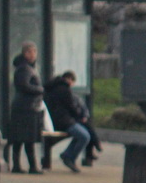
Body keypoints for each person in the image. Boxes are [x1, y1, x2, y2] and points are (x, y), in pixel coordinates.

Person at [7, 41, 45, 174]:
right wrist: (40, 89)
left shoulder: (29, 67)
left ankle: (26, 165)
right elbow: (24, 85)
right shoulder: (24, 68)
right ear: (24, 53)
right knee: (24, 138)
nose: (32, 54)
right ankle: (27, 165)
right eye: (29, 52)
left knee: (24, 138)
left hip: (27, 107)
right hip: (25, 108)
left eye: (34, 52)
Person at [43, 70, 91, 173]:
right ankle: (69, 156)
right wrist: (79, 115)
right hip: (63, 121)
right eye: (72, 81)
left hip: (52, 121)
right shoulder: (64, 90)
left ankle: (67, 155)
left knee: (82, 133)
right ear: (69, 79)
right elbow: (71, 106)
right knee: (85, 136)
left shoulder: (51, 88)